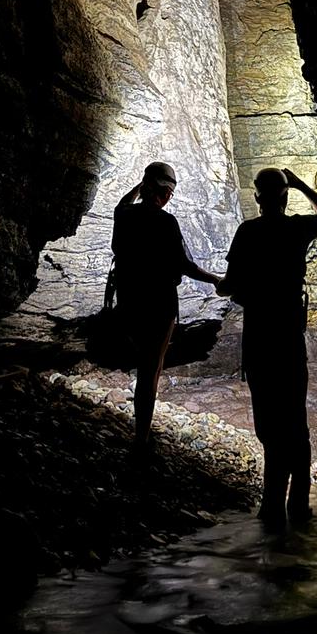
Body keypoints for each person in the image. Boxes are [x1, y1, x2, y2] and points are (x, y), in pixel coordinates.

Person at [217, 166, 317, 529]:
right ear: (285, 197)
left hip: (260, 337)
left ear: (256, 197)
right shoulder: (296, 228)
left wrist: (225, 286)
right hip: (289, 336)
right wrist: (300, 184)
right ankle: (298, 503)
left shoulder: (248, 232)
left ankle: (271, 506)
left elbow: (229, 285)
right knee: (295, 421)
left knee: (269, 424)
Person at [111, 161, 223, 455]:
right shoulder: (165, 222)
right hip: (159, 303)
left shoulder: (124, 215)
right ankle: (141, 439)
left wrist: (141, 185)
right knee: (151, 370)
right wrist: (214, 279)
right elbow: (184, 265)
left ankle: (141, 435)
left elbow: (124, 202)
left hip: (129, 301)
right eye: (169, 192)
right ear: (167, 193)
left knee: (143, 363)